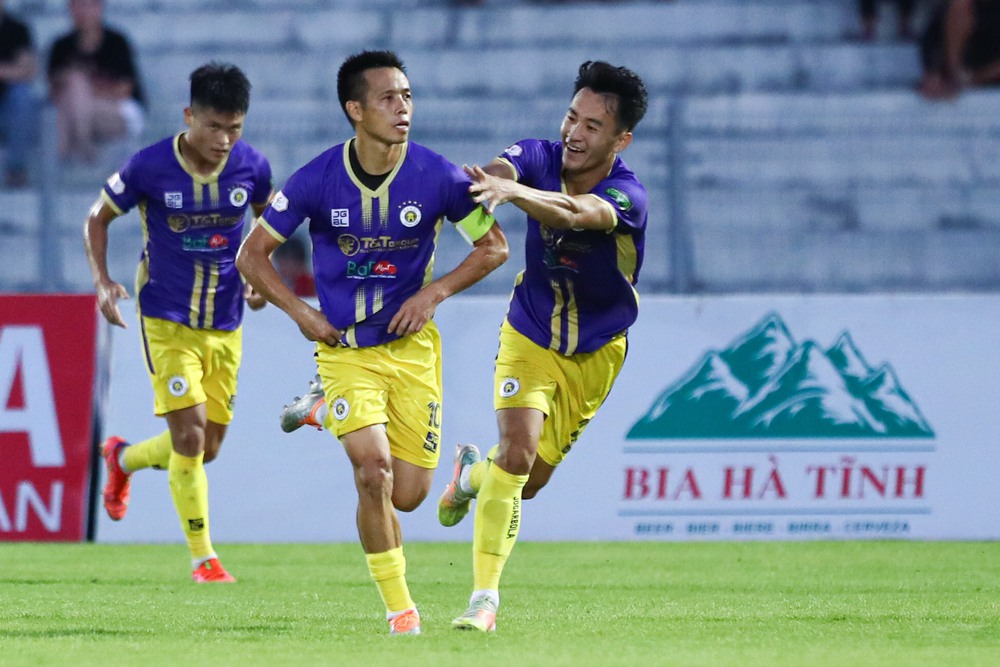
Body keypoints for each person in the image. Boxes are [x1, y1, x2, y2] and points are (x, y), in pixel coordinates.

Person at [236, 50, 508, 635]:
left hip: (412, 352)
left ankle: (319, 411)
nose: (402, 107)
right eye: (388, 98)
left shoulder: (440, 177)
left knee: (408, 496)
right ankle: (400, 610)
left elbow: (495, 249)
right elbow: (250, 255)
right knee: (373, 474)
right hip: (345, 351)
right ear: (354, 109)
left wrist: (433, 294)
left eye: (407, 96)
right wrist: (300, 313)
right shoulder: (315, 179)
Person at [439, 60, 648, 632]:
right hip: (529, 329)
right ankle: (484, 600)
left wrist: (516, 193)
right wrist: (494, 180)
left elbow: (579, 214)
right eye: (571, 117)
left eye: (593, 127)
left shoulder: (628, 195)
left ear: (620, 139)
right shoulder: (537, 156)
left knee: (526, 480)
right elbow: (500, 170)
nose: (574, 133)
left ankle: (470, 478)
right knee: (518, 451)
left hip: (597, 350)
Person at [83, 63, 273, 583]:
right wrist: (103, 280)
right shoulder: (148, 167)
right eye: (214, 126)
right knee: (188, 436)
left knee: (206, 448)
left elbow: (267, 229)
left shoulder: (253, 167)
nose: (224, 140)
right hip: (166, 316)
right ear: (189, 116)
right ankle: (203, 558)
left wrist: (260, 280)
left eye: (235, 128)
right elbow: (98, 217)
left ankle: (122, 458)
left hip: (227, 319)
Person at [47, 0, 145, 164]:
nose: (83, 11)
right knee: (69, 95)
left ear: (99, 8)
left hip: (119, 110)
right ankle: (82, 146)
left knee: (74, 89)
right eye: (77, 5)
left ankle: (66, 157)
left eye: (88, 5)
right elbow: (53, 91)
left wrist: (84, 91)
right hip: (75, 111)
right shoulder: (60, 46)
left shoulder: (116, 42)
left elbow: (124, 89)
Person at [918, 0, 1000, 99]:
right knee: (960, 5)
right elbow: (932, 38)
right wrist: (933, 72)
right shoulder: (960, 7)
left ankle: (965, 80)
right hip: (960, 68)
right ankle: (956, 77)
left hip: (988, 74)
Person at [0, 0, 38, 187]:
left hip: (7, 107)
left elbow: (27, 72)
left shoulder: (17, 30)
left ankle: (16, 169)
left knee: (22, 97)